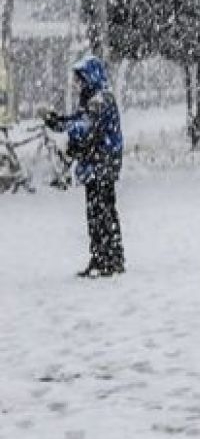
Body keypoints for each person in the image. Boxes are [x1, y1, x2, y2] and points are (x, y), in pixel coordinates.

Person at [43, 55, 124, 278]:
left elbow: (86, 127)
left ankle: (108, 258)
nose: (78, 83)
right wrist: (59, 122)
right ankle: (104, 257)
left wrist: (66, 132)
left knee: (101, 212)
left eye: (81, 78)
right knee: (99, 212)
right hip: (98, 163)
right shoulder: (93, 98)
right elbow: (79, 119)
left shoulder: (101, 99)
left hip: (102, 164)